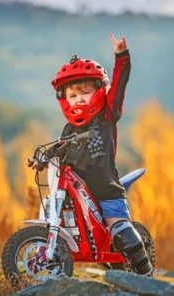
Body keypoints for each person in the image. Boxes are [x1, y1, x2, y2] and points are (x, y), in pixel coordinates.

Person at [29, 34, 153, 275]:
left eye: (84, 93)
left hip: (105, 190)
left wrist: (121, 57)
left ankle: (145, 272)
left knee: (119, 230)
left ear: (99, 91)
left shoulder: (106, 115)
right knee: (51, 214)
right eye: (72, 96)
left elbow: (118, 86)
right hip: (75, 191)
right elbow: (58, 147)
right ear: (64, 100)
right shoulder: (70, 129)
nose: (78, 99)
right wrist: (40, 159)